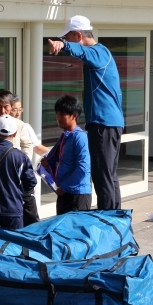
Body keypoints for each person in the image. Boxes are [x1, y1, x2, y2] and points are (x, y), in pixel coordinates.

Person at [47, 15, 124, 210]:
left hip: (103, 124)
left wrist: (63, 45)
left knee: (102, 176)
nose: (66, 41)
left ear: (78, 35)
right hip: (109, 123)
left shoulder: (98, 53)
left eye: (68, 37)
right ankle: (115, 217)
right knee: (108, 175)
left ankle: (107, 219)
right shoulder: (101, 54)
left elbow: (82, 51)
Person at [40, 95, 91, 215]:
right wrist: (47, 163)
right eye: (57, 114)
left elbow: (83, 167)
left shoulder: (80, 137)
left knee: (76, 227)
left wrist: (65, 187)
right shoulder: (65, 136)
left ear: (74, 116)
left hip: (77, 195)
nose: (58, 118)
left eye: (62, 114)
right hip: (64, 193)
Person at [9, 94, 50, 227]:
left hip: (23, 178)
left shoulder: (24, 126)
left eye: (20, 109)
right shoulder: (0, 127)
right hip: (8, 178)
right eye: (14, 110)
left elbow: (37, 147)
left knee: (30, 215)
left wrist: (55, 154)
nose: (17, 113)